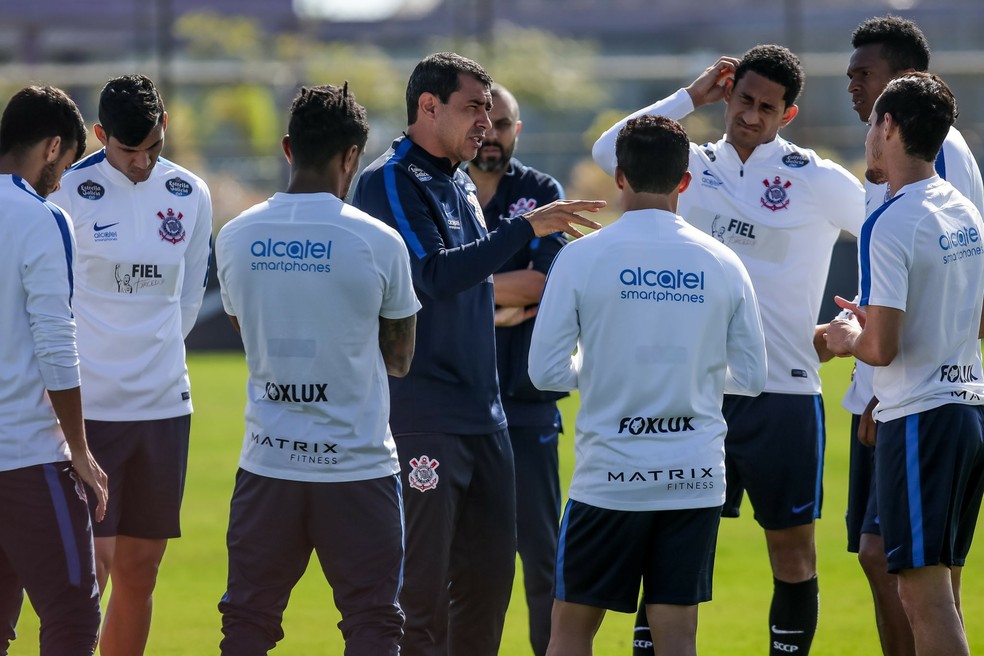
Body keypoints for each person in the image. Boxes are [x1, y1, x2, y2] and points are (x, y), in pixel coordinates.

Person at [592, 45, 865, 655]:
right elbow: (610, 150)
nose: (751, 116)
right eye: (744, 99)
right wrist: (689, 97)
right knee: (668, 546)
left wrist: (860, 321)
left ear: (787, 115)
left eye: (768, 108)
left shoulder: (814, 178)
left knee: (792, 553)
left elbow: (891, 230)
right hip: (695, 392)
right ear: (728, 92)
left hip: (782, 394)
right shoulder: (687, 165)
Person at [351, 52, 604, 655]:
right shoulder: (389, 179)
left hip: (488, 417)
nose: (485, 127)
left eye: (490, 114)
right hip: (425, 418)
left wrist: (504, 265)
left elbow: (475, 280)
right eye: (473, 110)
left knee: (490, 583)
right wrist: (525, 231)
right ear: (428, 107)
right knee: (422, 593)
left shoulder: (460, 180)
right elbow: (434, 276)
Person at [529, 114, 767, 656]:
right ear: (686, 180)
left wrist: (602, 370)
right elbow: (751, 378)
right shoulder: (725, 263)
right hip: (695, 477)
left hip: (610, 478)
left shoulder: (581, 256)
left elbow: (544, 372)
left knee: (568, 635)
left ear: (618, 177)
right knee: (677, 638)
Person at [214, 83, 419, 655]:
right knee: (373, 622)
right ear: (352, 155)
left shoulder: (235, 236)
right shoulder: (379, 242)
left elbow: (244, 330)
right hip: (356, 466)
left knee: (248, 623)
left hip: (267, 463)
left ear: (287, 148)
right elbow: (399, 358)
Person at [829, 15, 984, 656]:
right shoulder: (963, 208)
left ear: (889, 127)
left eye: (871, 119)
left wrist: (845, 337)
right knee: (938, 593)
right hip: (967, 408)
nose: (864, 129)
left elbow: (882, 349)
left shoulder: (890, 220)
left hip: (917, 418)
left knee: (924, 599)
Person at [48, 74, 213, 656]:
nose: (143, 162)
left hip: (165, 406)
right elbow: (52, 303)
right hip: (90, 406)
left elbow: (189, 296)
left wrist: (152, 351)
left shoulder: (191, 193)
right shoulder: (66, 191)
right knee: (94, 565)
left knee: (141, 569)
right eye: (128, 150)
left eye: (153, 148)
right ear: (99, 135)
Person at [0, 85, 108, 655]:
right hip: (26, 458)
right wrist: (81, 452)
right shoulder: (41, 217)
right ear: (50, 147)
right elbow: (55, 342)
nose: (62, 179)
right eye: (64, 163)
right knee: (71, 612)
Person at [464, 82, 566, 656]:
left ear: (516, 131)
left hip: (526, 403)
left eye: (504, 125)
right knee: (461, 558)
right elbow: (420, 283)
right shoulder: (440, 189)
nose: (493, 135)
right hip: (454, 402)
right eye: (484, 123)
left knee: (542, 558)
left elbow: (543, 284)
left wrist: (460, 292)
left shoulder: (540, 192)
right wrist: (498, 298)